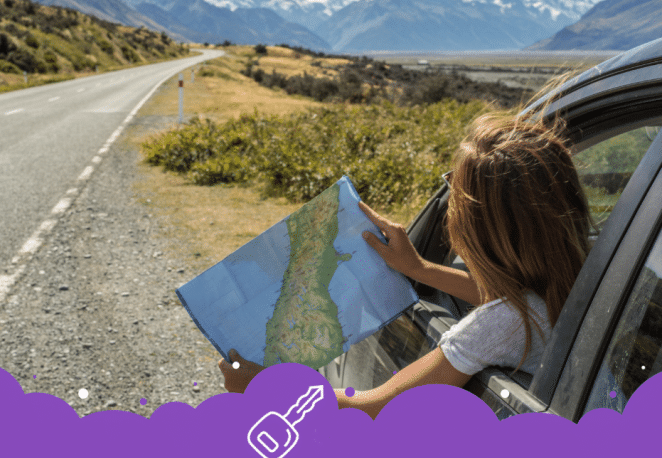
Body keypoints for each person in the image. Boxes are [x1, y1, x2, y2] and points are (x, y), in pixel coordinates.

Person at [218, 110, 592, 419]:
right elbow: (516, 297)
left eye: (454, 193)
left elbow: (375, 407)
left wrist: (264, 390)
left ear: (477, 230)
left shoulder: (500, 326)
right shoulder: (588, 271)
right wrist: (420, 270)